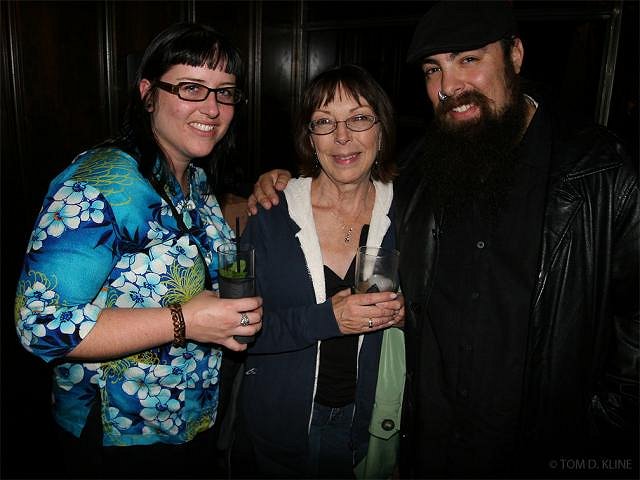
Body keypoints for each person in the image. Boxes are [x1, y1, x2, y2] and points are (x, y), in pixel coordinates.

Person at [247, 2, 639, 478]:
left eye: (468, 59)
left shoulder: (599, 173)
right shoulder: (421, 173)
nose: (449, 86)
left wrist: (600, 431)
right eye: (434, 69)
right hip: (429, 442)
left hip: (536, 446)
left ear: (515, 55)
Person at [14, 22, 262, 479]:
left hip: (189, 420)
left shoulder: (193, 176)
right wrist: (184, 321)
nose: (212, 108)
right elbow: (39, 326)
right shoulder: (99, 184)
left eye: (224, 92)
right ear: (148, 93)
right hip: (119, 436)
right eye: (191, 88)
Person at [235, 64, 406, 478]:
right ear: (309, 138)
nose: (342, 136)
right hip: (281, 428)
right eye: (325, 122)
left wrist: (407, 314)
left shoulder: (409, 213)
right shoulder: (270, 215)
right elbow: (236, 331)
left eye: (359, 118)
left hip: (368, 428)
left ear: (381, 130)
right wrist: (327, 319)